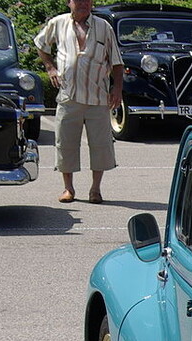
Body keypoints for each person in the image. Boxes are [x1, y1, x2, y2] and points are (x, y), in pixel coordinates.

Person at [35, 0, 124, 204]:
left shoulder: (103, 27)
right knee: (65, 143)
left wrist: (117, 88)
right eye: (79, 0)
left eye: (87, 0)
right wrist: (50, 68)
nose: (84, 3)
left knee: (101, 145)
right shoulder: (58, 23)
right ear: (69, 2)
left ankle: (95, 189)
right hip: (69, 96)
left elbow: (117, 61)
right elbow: (40, 44)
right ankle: (68, 188)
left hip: (98, 96)